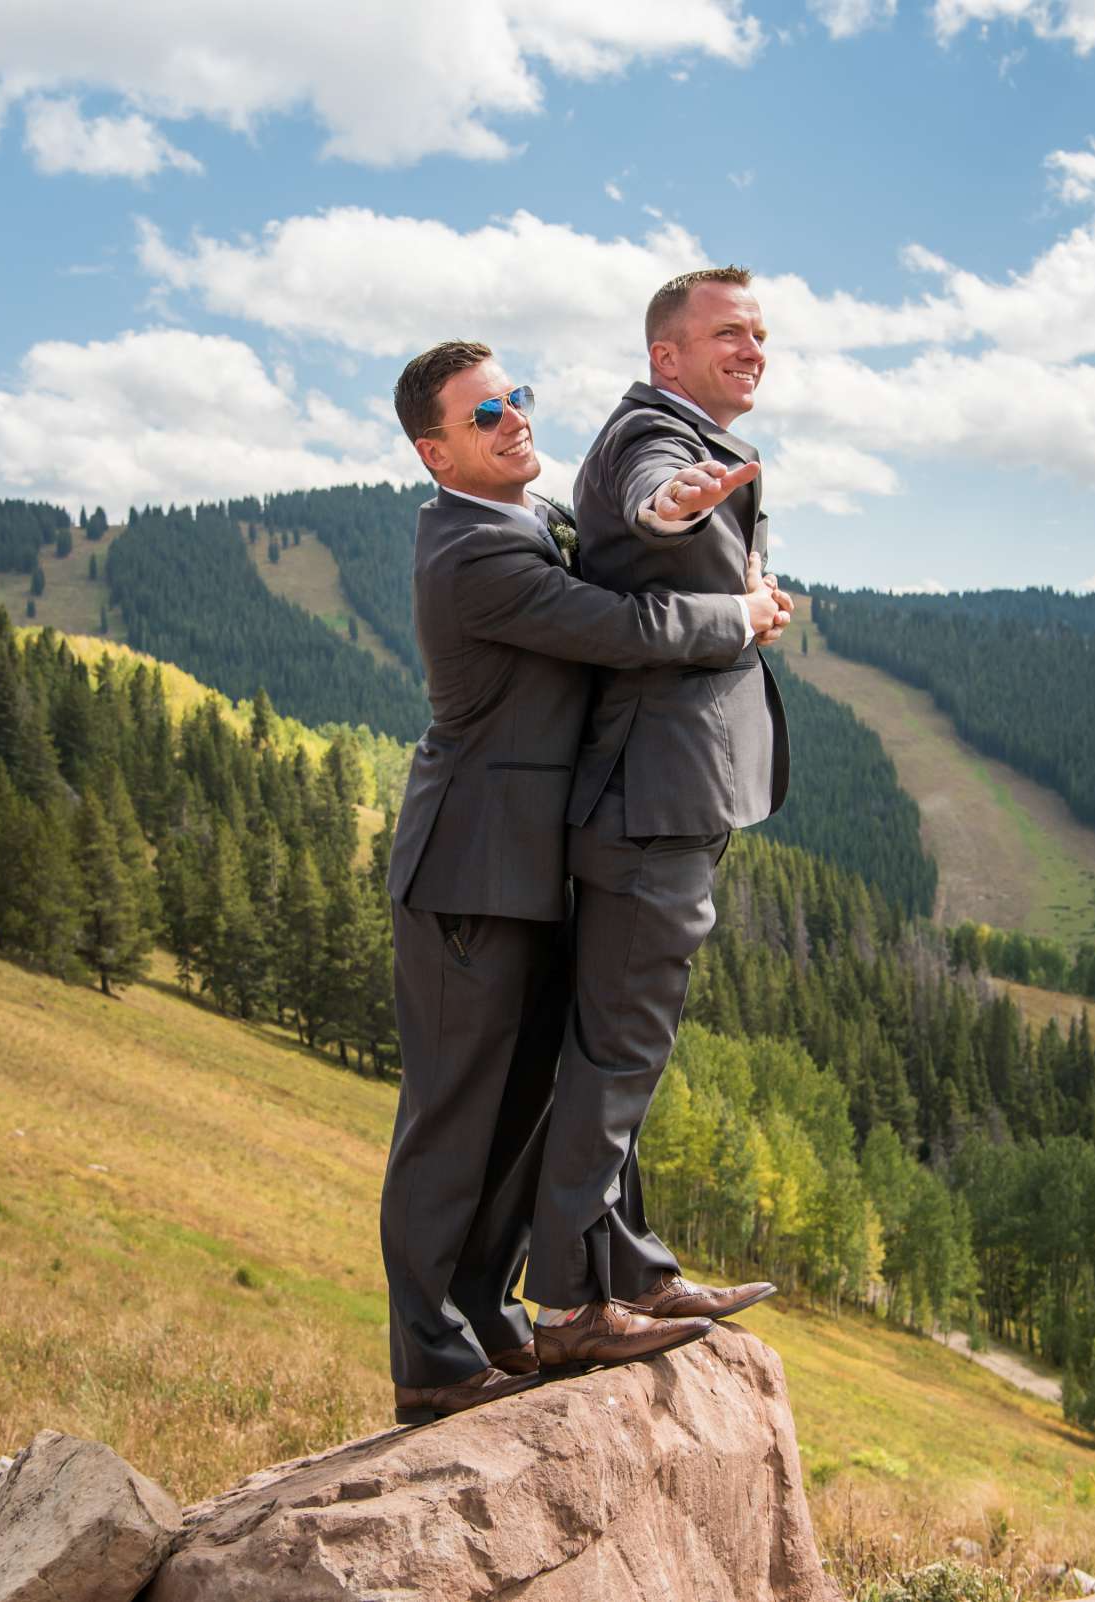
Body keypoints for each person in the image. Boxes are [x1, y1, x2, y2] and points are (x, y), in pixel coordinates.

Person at [378, 339, 792, 1426]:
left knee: (521, 1113)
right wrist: (736, 619)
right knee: (454, 1121)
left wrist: (699, 543)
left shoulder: (527, 520)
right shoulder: (472, 551)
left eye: (517, 397)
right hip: (470, 869)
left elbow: (624, 554)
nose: (514, 417)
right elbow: (619, 628)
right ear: (435, 452)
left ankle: (494, 1327)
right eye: (484, 415)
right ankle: (429, 1357)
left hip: (530, 867)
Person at [525, 267, 791, 1362]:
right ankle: (570, 1304)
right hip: (650, 799)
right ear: (666, 356)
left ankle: (630, 1270)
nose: (753, 348)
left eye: (761, 334)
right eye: (727, 333)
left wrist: (742, 583)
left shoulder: (679, 431)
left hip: (657, 795)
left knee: (624, 1046)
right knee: (617, 1052)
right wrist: (671, 508)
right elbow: (651, 493)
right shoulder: (654, 438)